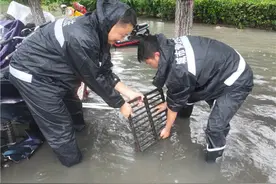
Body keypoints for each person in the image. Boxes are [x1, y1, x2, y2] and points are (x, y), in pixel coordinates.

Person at [8, 0, 143, 167]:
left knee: (74, 109)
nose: (121, 39)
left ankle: (79, 132)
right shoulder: (82, 37)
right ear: (111, 24)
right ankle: (73, 165)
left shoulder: (99, 33)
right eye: (122, 35)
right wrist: (121, 104)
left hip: (54, 69)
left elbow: (104, 71)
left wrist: (129, 93)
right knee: (61, 127)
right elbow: (94, 78)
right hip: (33, 74)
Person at [137, 34, 254, 162]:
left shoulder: (180, 70)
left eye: (149, 63)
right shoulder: (169, 46)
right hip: (217, 70)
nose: (151, 66)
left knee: (215, 128)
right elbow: (179, 91)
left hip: (236, 79)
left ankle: (213, 164)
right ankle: (186, 125)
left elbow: (179, 85)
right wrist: (168, 103)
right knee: (184, 98)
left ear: (157, 55)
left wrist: (167, 129)